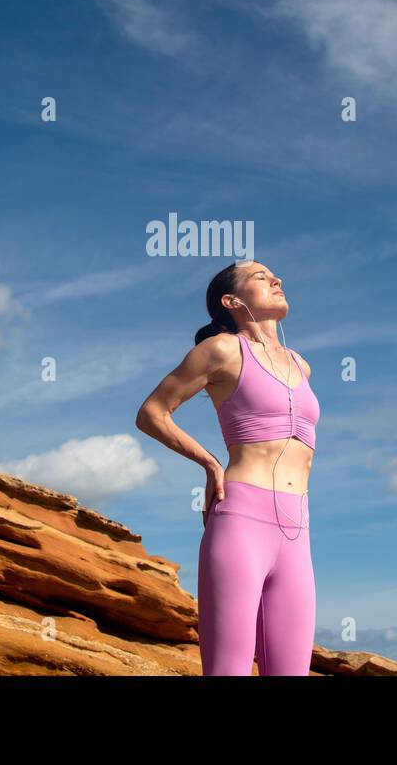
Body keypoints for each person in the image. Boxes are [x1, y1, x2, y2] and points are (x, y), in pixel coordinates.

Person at [135, 259, 321, 675]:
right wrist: (209, 463)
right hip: (241, 519)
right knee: (228, 670)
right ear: (232, 300)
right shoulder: (220, 350)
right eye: (261, 277)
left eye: (276, 274)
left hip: (297, 528)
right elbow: (152, 413)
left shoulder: (300, 365)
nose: (277, 279)